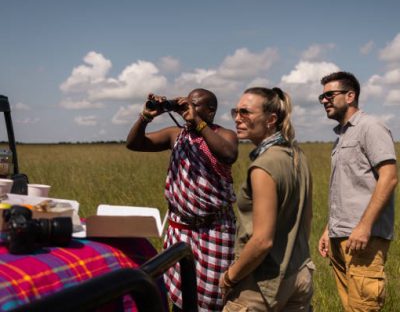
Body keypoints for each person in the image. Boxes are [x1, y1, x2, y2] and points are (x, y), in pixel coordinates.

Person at [126, 88, 238, 311]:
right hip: (180, 229)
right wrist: (146, 116)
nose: (189, 108)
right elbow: (134, 143)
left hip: (214, 229)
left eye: (195, 105)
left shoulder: (224, 134)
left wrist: (198, 122)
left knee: (214, 299)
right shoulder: (176, 135)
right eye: (187, 104)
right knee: (182, 299)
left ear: (211, 110)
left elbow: (228, 154)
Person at [220, 87, 314, 311]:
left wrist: (230, 277)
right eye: (236, 111)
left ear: (271, 119)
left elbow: (262, 241)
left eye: (246, 112)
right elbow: (305, 220)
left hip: (263, 283)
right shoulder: (297, 156)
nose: (237, 118)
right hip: (299, 273)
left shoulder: (263, 166)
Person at [317, 71, 398, 311]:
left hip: (364, 239)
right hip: (339, 237)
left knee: (364, 306)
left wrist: (364, 227)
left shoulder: (370, 127)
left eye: (330, 95)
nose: (324, 101)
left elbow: (390, 178)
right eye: (322, 97)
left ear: (350, 96)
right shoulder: (342, 136)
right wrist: (327, 230)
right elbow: (347, 187)